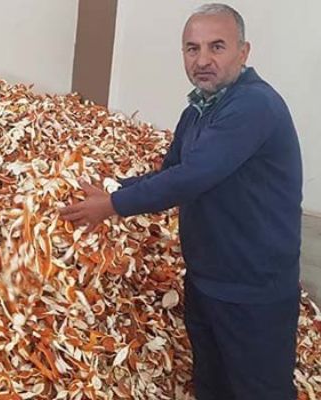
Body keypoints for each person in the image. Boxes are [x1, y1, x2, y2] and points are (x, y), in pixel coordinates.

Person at [59, 3, 303, 399]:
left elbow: (192, 177)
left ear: (243, 52)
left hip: (252, 290)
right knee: (211, 385)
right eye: (192, 48)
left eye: (216, 47)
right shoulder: (198, 111)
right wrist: (113, 188)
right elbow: (171, 170)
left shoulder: (253, 105)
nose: (202, 60)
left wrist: (112, 206)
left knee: (260, 390)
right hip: (208, 280)